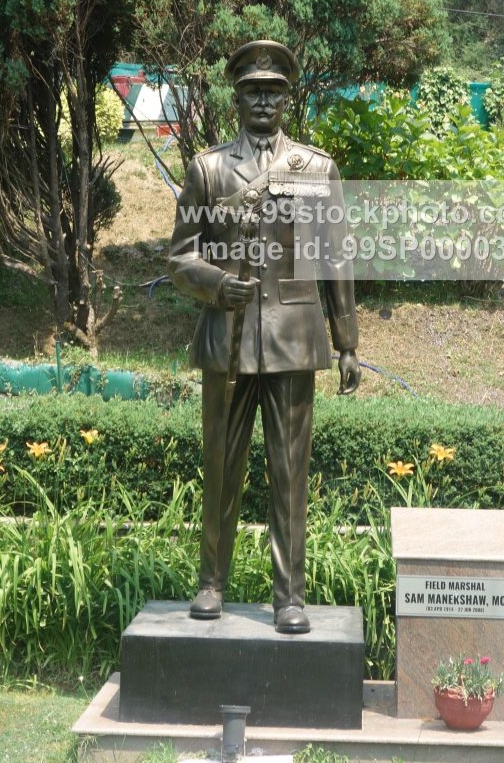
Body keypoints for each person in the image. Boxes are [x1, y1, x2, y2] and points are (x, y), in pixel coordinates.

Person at [168, 39, 360, 633]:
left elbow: (336, 259)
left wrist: (347, 341)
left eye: (273, 91)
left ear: (287, 97)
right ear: (237, 96)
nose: (263, 101)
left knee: (289, 472)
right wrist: (213, 284)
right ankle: (210, 584)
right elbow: (179, 256)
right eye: (252, 90)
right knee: (220, 466)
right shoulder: (209, 168)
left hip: (294, 336)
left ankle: (289, 596)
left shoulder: (316, 169)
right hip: (226, 336)